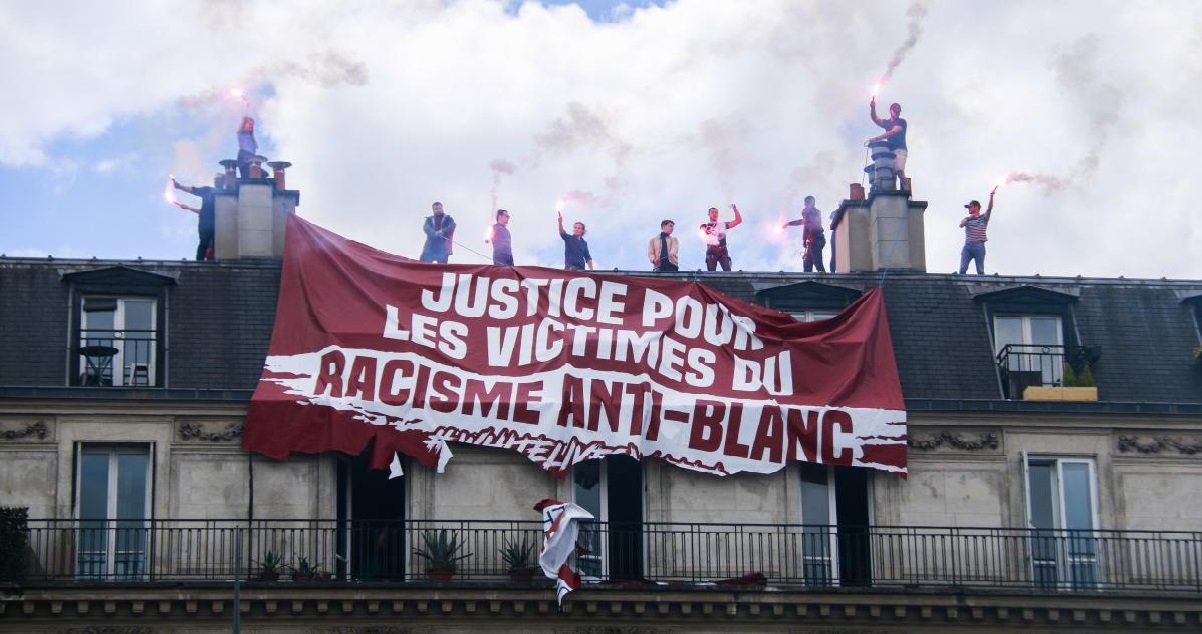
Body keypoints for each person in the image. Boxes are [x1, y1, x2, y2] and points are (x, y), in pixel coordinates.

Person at [173, 174, 221, 261]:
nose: (217, 181)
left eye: (219, 179)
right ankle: (200, 262)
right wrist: (180, 187)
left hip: (218, 224)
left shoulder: (226, 195)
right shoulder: (208, 191)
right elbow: (194, 190)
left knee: (214, 245)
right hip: (205, 223)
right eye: (216, 180)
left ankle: (211, 261)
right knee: (204, 243)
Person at [867, 98, 908, 189]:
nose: (897, 113)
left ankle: (906, 191)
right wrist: (873, 108)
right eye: (895, 111)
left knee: (900, 170)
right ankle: (893, 192)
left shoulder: (902, 122)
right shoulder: (887, 123)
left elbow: (893, 132)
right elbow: (875, 119)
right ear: (891, 111)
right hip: (890, 151)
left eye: (898, 112)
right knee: (891, 173)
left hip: (900, 150)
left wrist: (876, 138)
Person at [781, 196, 826, 272]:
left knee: (818, 263)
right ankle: (807, 279)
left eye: (806, 203)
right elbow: (805, 224)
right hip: (812, 241)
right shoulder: (809, 214)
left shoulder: (815, 212)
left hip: (816, 240)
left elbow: (809, 224)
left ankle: (824, 279)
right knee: (807, 264)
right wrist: (804, 240)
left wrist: (805, 239)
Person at [958, 187, 997, 274]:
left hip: (979, 246)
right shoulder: (968, 219)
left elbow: (989, 209)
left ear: (976, 207)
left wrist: (991, 196)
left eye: (970, 207)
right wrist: (969, 218)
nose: (969, 209)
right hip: (967, 247)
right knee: (962, 269)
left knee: (980, 270)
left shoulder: (983, 218)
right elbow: (961, 225)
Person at [699, 204, 743, 271]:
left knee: (727, 271)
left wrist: (735, 209)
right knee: (711, 273)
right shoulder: (705, 226)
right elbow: (703, 230)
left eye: (716, 212)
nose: (714, 214)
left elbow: (738, 221)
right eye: (712, 212)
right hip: (711, 251)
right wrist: (706, 230)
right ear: (709, 214)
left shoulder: (723, 225)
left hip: (723, 251)